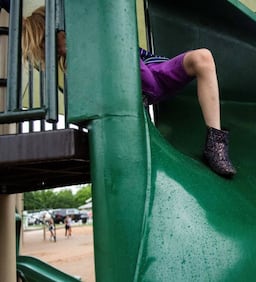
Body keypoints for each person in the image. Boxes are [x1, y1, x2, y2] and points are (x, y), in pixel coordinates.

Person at [21, 6, 237, 177]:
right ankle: (141, 106)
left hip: (152, 71)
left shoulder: (94, 34)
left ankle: (215, 143)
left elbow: (150, 80)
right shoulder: (78, 66)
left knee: (203, 57)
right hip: (131, 87)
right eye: (56, 45)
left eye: (61, 36)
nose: (63, 44)